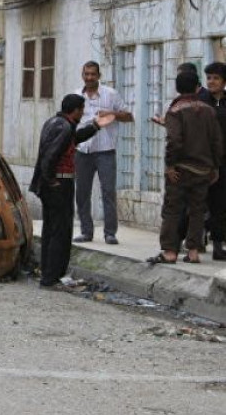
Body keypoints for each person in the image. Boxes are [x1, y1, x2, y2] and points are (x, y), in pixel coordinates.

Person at [30, 94, 116, 287]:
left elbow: (73, 140)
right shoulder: (65, 127)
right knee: (60, 231)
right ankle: (51, 276)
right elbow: (51, 156)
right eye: (81, 109)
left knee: (51, 229)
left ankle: (48, 274)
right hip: (59, 184)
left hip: (51, 184)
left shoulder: (54, 123)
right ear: (75, 110)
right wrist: (51, 180)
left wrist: (95, 126)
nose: (82, 113)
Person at [148, 72, 222, 265]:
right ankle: (194, 251)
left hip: (180, 170)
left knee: (173, 210)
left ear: (177, 88)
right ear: (197, 87)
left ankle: (170, 251)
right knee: (197, 211)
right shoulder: (209, 110)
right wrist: (215, 167)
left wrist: (170, 165)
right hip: (204, 170)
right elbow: (216, 141)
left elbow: (174, 141)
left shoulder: (175, 111)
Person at [73, 61, 134, 245]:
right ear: (82, 75)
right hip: (83, 150)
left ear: (99, 75)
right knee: (82, 193)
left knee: (108, 192)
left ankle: (110, 233)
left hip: (105, 151)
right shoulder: (76, 95)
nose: (90, 77)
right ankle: (86, 231)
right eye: (87, 74)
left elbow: (129, 116)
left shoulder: (111, 94)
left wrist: (111, 113)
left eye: (93, 74)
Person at [199, 62, 226, 260]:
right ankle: (194, 240)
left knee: (219, 204)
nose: (211, 82)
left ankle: (218, 245)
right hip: (202, 161)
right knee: (197, 203)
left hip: (223, 162)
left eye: (216, 78)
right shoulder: (200, 102)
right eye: (209, 78)